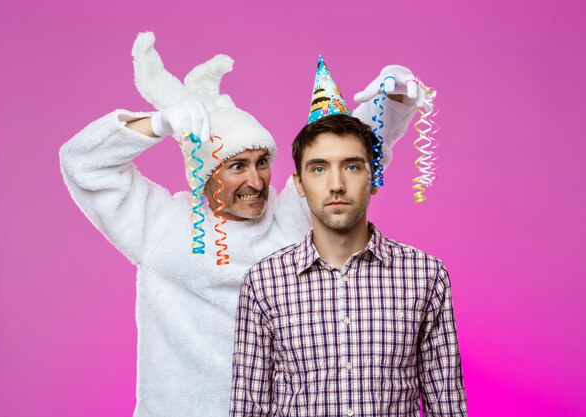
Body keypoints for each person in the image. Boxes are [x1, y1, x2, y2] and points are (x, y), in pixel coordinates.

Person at [60, 32, 427, 417]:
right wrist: (157, 124)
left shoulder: (290, 217)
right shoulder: (161, 225)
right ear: (205, 173)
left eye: (262, 162)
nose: (255, 181)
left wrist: (395, 96)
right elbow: (81, 164)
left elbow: (349, 153)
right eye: (237, 165)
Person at [229, 114, 467, 416]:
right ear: (299, 184)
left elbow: (446, 404)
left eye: (352, 167)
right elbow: (248, 407)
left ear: (374, 179)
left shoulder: (425, 275)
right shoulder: (264, 281)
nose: (337, 185)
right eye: (319, 168)